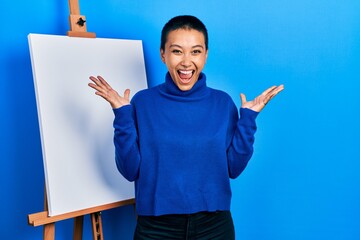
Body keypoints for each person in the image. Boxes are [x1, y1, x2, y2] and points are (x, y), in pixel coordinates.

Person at [88, 15, 284, 240]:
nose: (186, 62)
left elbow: (234, 169)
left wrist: (248, 119)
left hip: (214, 226)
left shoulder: (222, 104)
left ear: (206, 55)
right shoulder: (142, 103)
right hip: (156, 227)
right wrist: (122, 115)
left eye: (196, 51)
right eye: (177, 51)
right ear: (163, 54)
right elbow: (129, 170)